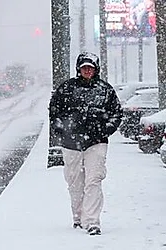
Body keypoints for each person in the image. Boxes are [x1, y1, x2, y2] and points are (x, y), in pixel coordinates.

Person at [48, 52, 123, 235]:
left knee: (94, 180)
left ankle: (92, 221)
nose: (87, 70)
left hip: (96, 143)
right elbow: (54, 111)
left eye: (90, 67)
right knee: (75, 183)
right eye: (84, 67)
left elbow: (117, 113)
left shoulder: (105, 90)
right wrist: (62, 130)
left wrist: (104, 130)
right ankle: (78, 216)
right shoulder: (66, 89)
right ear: (78, 69)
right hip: (71, 143)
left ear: (96, 69)